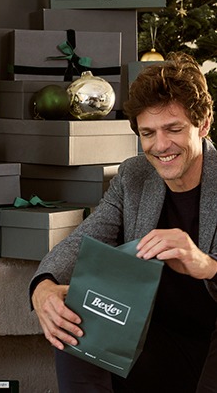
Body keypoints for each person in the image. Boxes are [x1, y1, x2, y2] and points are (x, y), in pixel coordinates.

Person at [30, 53, 217, 392]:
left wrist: (205, 264)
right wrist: (43, 287)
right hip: (153, 342)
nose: (160, 146)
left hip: (211, 344)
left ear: (202, 125)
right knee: (77, 307)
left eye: (173, 129)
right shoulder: (134, 175)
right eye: (148, 133)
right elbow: (84, 241)